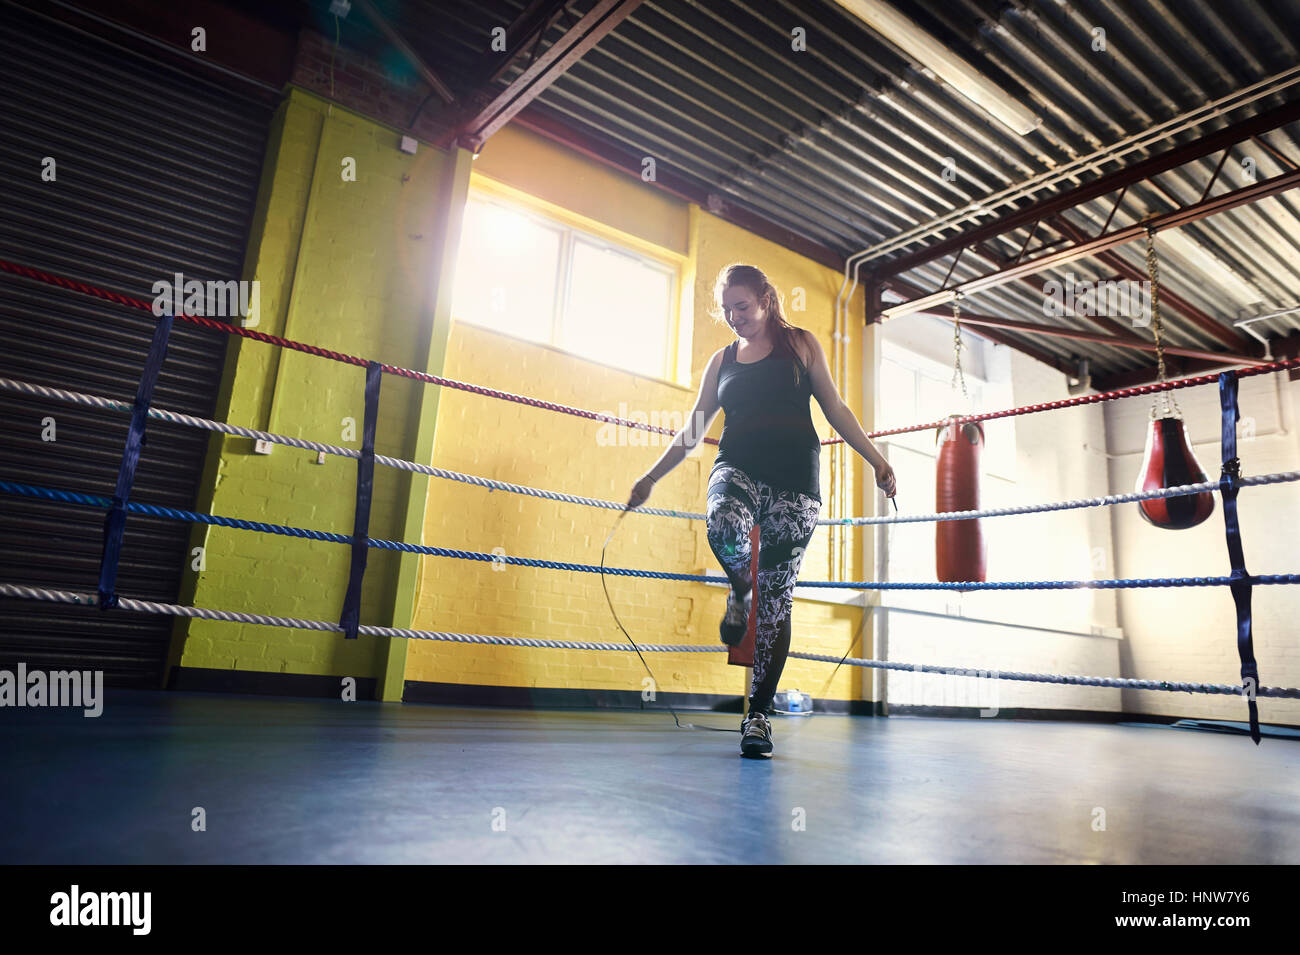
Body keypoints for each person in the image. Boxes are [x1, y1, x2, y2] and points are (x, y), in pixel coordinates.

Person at [626, 263, 897, 759]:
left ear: (767, 299)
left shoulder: (802, 345)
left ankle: (758, 716)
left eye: (742, 307)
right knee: (724, 523)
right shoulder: (722, 360)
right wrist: (650, 477)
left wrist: (877, 461)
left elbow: (835, 408)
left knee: (778, 601)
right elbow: (692, 430)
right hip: (739, 468)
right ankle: (739, 587)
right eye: (727, 309)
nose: (734, 317)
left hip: (797, 483)